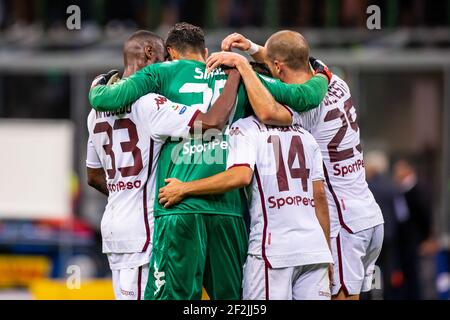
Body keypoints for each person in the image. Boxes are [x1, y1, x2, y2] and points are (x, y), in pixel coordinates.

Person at [88, 22, 331, 300]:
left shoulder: (159, 73)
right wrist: (321, 71)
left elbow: (106, 99)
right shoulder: (236, 72)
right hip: (228, 208)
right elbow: (304, 96)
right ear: (205, 52)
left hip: (179, 203)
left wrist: (97, 85)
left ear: (170, 53)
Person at [209, 30, 385, 300]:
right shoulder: (334, 80)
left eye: (272, 65)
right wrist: (254, 49)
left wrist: (243, 66)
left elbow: (268, 111)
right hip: (369, 216)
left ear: (278, 67)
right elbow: (292, 57)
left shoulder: (306, 109)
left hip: (343, 223)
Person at [86, 30, 242, 300]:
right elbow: (213, 121)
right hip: (145, 230)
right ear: (149, 54)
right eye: (164, 58)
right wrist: (238, 71)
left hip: (113, 226)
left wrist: (125, 191)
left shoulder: (94, 113)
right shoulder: (150, 104)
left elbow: (92, 175)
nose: (168, 66)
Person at [158, 114, 333, 300]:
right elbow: (320, 196)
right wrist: (326, 251)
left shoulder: (246, 127)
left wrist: (185, 188)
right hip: (316, 250)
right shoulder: (305, 134)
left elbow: (240, 176)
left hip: (273, 250)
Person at [393, 158, 433, 300]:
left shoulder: (418, 189)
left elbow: (425, 215)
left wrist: (427, 238)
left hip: (416, 240)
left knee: (416, 277)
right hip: (405, 241)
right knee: (408, 275)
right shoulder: (401, 189)